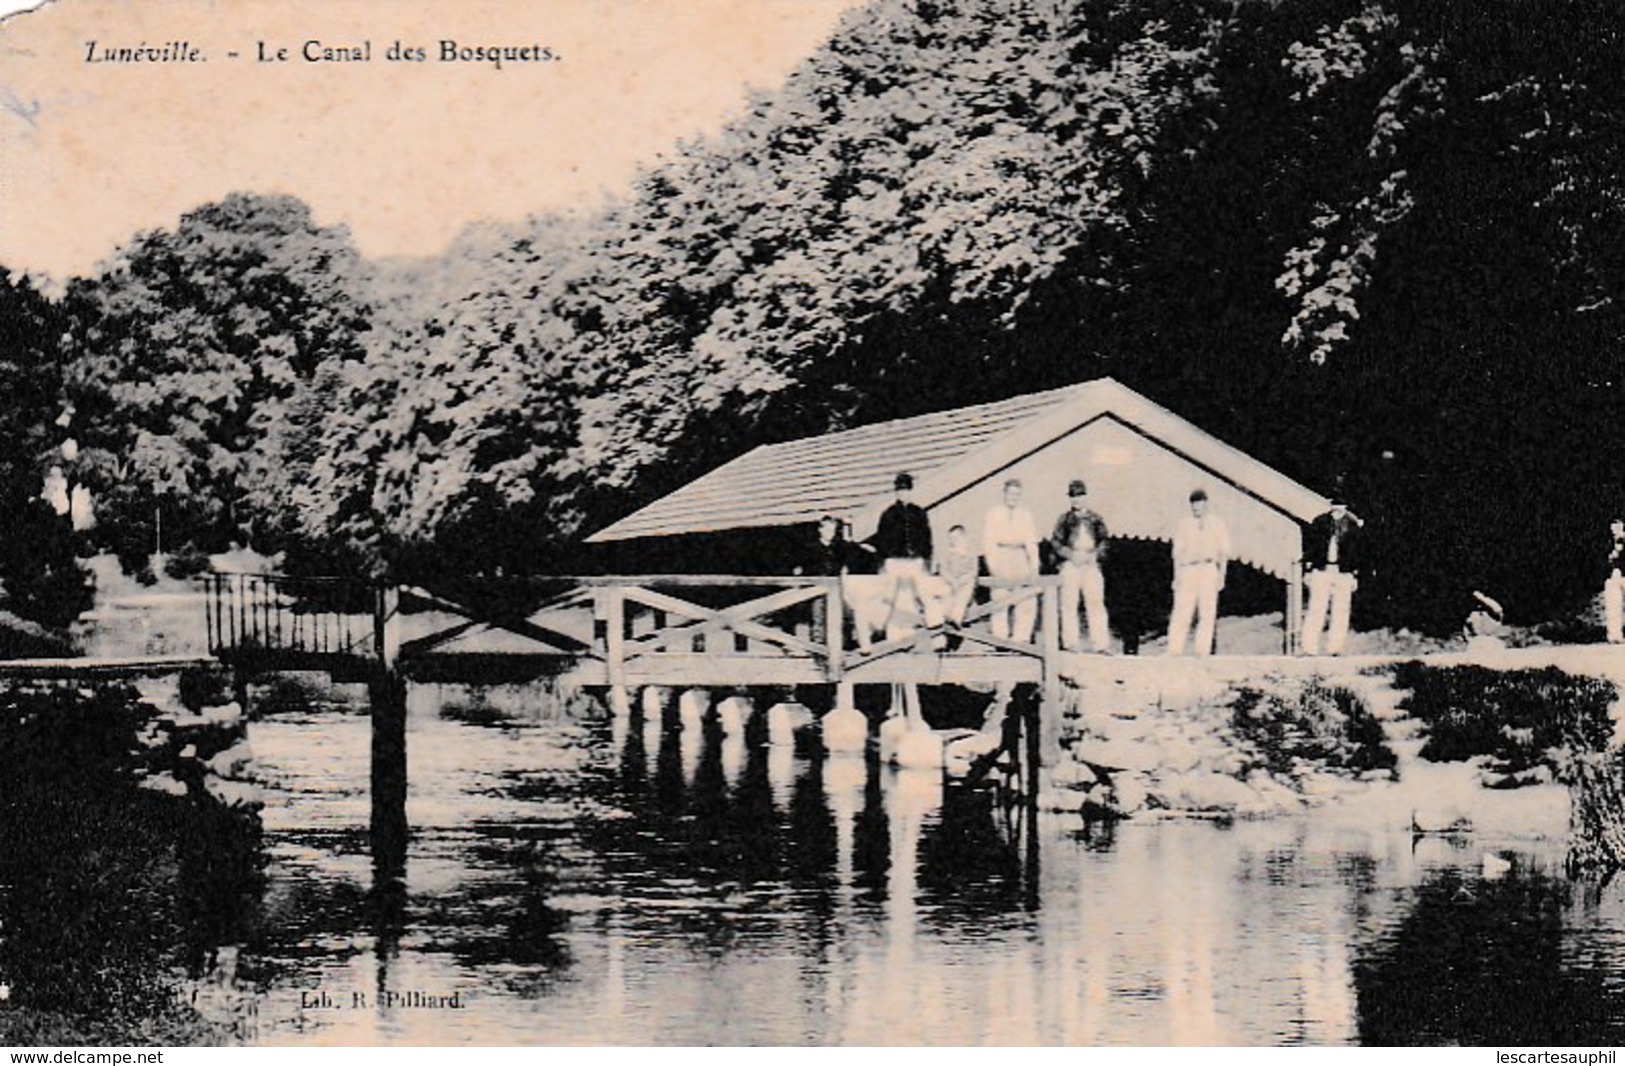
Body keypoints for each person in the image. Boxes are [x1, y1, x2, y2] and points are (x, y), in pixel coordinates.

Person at [869, 472, 943, 640]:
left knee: (922, 596)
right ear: (896, 492)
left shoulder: (919, 513)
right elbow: (882, 542)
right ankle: (896, 639)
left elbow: (927, 540)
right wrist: (886, 563)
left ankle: (920, 634)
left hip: (915, 562)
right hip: (896, 562)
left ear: (911, 491)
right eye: (900, 490)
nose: (903, 494)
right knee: (898, 600)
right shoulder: (888, 514)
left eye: (906, 490)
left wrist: (926, 561)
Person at [1167, 488, 1231, 656]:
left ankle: (1201, 651)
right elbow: (1177, 554)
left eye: (1200, 505)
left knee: (1207, 612)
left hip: (1208, 569)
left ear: (1206, 504)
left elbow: (1223, 552)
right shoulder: (1184, 524)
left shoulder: (1217, 523)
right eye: (1194, 505)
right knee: (1182, 610)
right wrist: (1177, 577)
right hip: (1188, 569)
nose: (1197, 509)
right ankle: (1174, 650)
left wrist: (1221, 576)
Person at [1050, 479, 1111, 652]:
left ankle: (1100, 644)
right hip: (1071, 563)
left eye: (1080, 496)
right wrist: (1070, 555)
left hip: (1091, 563)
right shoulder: (1064, 520)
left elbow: (1105, 541)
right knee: (1069, 603)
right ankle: (1070, 643)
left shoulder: (1096, 519)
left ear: (1086, 497)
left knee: (1096, 603)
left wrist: (1095, 555)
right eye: (1073, 496)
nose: (1077, 500)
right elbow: (1056, 542)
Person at [1301, 498, 1365, 655]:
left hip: (1343, 572)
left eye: (1341, 506)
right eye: (1335, 506)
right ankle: (1309, 648)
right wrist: (1308, 570)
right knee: (1316, 608)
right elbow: (1310, 548)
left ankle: (1335, 648)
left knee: (1341, 610)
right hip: (1322, 570)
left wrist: (1355, 574)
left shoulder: (1353, 525)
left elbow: (1359, 553)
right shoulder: (1319, 522)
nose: (1338, 509)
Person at [982, 478, 1041, 642]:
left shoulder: (1026, 514)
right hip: (1001, 555)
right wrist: (993, 567)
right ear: (1004, 493)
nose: (1013, 497)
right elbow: (988, 542)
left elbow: (1031, 542)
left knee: (1026, 598)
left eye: (1017, 494)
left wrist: (1034, 566)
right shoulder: (993, 513)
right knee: (1000, 597)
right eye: (1010, 493)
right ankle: (1000, 640)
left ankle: (1020, 639)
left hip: (1020, 557)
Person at [936, 523, 979, 628]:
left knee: (964, 595)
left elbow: (974, 570)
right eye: (951, 538)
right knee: (946, 595)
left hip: (965, 583)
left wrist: (964, 579)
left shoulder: (971, 553)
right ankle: (944, 617)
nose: (953, 540)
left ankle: (956, 619)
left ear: (963, 537)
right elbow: (943, 570)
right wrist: (951, 580)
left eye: (956, 537)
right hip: (951, 583)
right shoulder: (947, 554)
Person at [1606, 518, 1625, 645]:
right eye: (1613, 528)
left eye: (1618, 528)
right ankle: (1614, 636)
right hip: (1614, 576)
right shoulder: (1608, 542)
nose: (1615, 531)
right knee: (1614, 606)